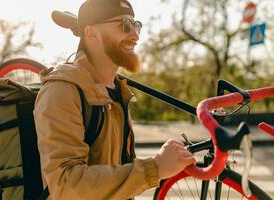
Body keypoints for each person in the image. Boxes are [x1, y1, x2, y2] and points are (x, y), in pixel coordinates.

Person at [33, 0, 196, 199]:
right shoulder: (61, 91)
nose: (135, 35)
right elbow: (66, 184)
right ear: (92, 33)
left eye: (136, 25)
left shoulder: (118, 91)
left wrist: (166, 163)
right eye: (125, 25)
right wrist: (155, 168)